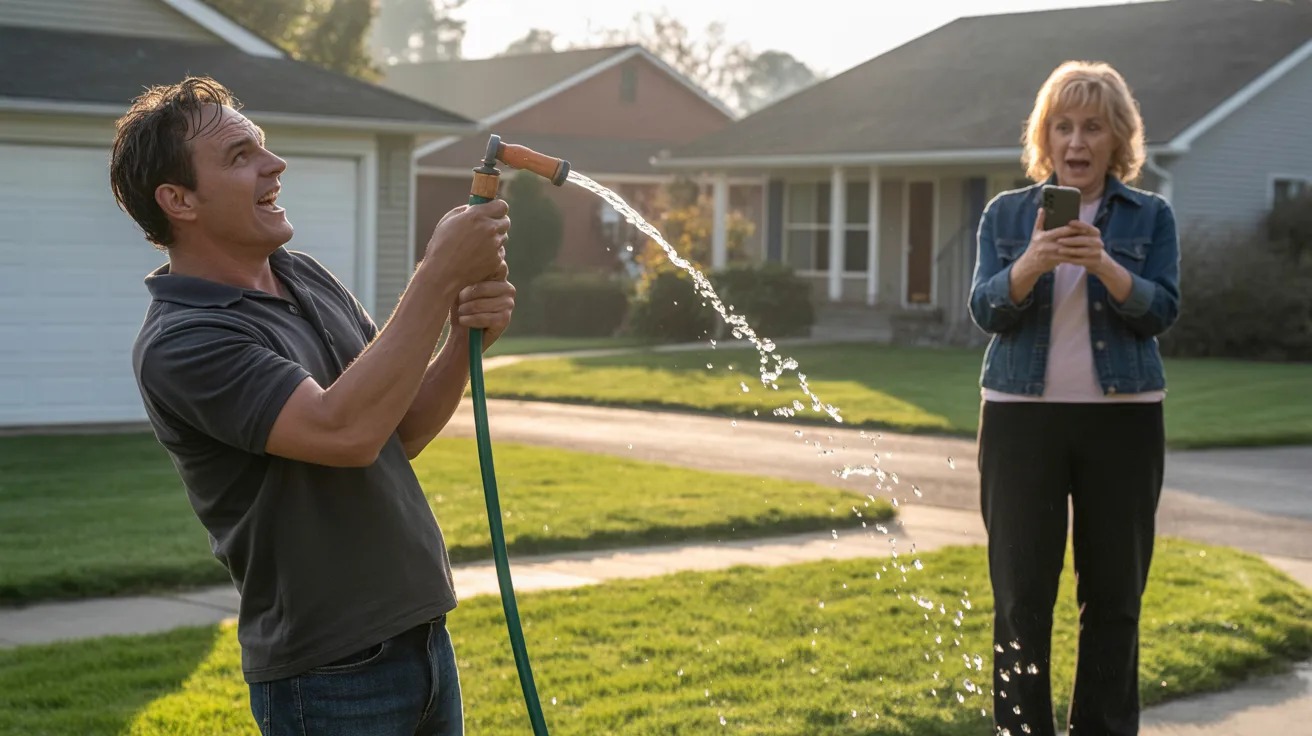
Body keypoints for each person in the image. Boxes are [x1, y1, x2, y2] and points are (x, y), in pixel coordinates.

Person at [112, 76, 513, 735]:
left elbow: (395, 431)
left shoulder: (305, 277)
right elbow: (344, 432)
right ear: (178, 199)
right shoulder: (185, 341)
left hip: (422, 639)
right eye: (240, 156)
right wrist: (438, 274)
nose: (275, 165)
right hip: (329, 675)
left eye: (262, 146)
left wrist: (465, 336)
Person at [968, 60, 1181, 736]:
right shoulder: (1006, 215)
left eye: (1092, 126)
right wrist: (1030, 263)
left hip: (1123, 425)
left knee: (1115, 599)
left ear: (1117, 138)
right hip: (1019, 423)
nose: (1077, 142)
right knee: (1021, 600)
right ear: (1046, 138)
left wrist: (1106, 267)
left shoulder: (1152, 216)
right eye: (1063, 127)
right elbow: (985, 310)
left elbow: (1161, 311)